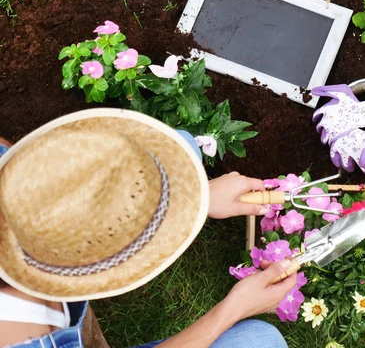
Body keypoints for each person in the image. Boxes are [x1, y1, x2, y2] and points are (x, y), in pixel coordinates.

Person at [0, 109, 297, 348]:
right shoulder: (23, 337)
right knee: (262, 342)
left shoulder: (15, 185)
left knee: (185, 144)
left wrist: (198, 198)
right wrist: (232, 309)